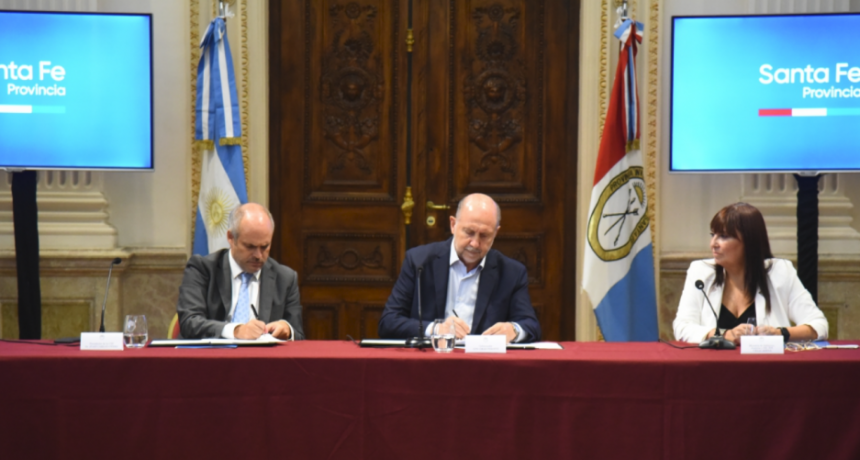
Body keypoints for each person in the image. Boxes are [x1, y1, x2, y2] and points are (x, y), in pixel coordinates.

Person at [379, 193, 541, 343]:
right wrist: (436, 329)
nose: (475, 244)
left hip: (484, 361)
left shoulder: (511, 273)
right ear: (453, 225)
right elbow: (388, 322)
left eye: (484, 235)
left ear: (496, 233)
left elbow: (531, 325)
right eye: (469, 232)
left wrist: (514, 330)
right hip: (432, 358)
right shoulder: (419, 261)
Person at [673, 202, 827, 344]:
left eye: (724, 236)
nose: (713, 244)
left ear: (749, 241)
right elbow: (681, 327)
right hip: (713, 364)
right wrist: (726, 334)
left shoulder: (780, 271)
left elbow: (819, 326)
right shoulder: (700, 272)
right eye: (713, 235)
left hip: (766, 363)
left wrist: (779, 333)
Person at [176, 203, 304, 340]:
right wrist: (236, 331)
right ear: (231, 238)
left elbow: (298, 335)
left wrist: (287, 329)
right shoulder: (202, 269)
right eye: (250, 246)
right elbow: (189, 322)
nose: (258, 255)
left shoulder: (285, 278)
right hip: (212, 352)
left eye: (264, 247)